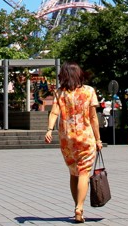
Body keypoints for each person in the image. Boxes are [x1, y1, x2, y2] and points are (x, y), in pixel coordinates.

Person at [44, 62, 102, 224]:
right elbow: (93, 118)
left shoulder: (60, 93)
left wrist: (49, 129)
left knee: (73, 172)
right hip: (85, 137)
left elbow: (54, 112)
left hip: (67, 139)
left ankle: (76, 205)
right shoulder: (89, 91)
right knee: (84, 172)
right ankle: (79, 208)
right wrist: (98, 139)